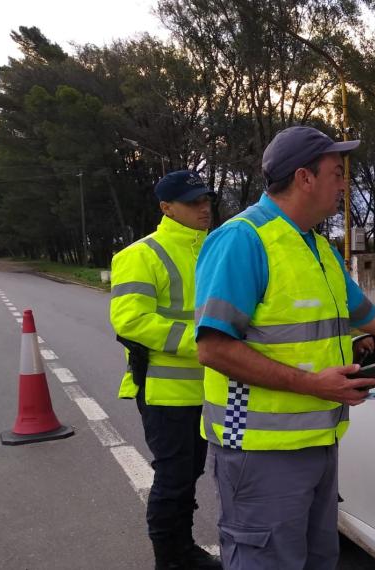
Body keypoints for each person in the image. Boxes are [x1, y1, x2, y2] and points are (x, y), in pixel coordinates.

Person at [194, 125, 375, 569]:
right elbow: (214, 348)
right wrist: (314, 385)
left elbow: (367, 316)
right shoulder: (243, 239)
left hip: (317, 442)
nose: (343, 184)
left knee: (317, 560)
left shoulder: (316, 247)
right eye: (335, 172)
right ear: (304, 178)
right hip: (260, 450)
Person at [109, 171, 222, 569]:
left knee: (188, 476)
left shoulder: (214, 248)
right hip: (164, 391)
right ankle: (170, 559)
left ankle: (184, 549)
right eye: (193, 202)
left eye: (205, 199)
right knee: (173, 480)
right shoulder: (141, 254)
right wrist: (205, 342)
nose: (204, 207)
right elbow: (131, 321)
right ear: (166, 208)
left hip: (210, 390)